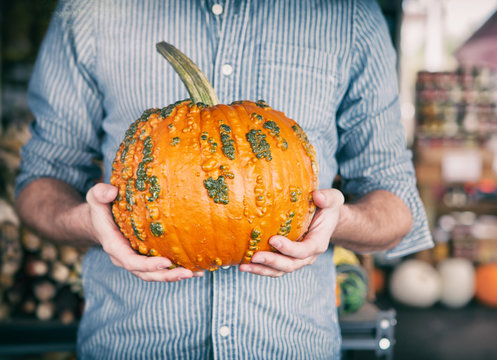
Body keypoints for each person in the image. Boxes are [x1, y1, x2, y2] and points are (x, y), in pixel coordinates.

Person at [15, 0, 433, 358]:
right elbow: (40, 182)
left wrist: (333, 222)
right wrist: (89, 223)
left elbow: (396, 204)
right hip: (130, 342)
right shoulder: (92, 10)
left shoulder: (348, 14)